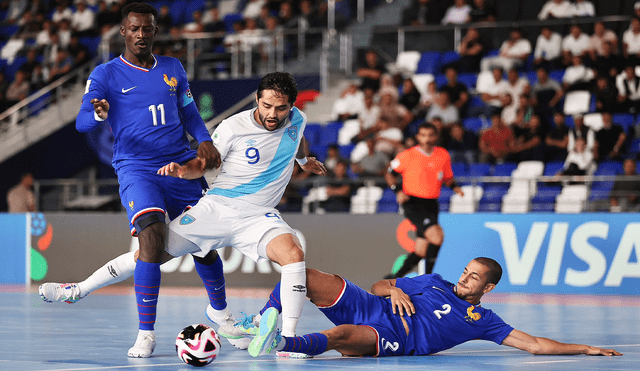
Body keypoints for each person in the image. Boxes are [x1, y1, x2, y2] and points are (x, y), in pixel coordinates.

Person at [38, 3, 230, 359]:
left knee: (205, 245)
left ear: (155, 31)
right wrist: (96, 113)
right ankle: (146, 334)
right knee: (152, 239)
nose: (141, 34)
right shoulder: (106, 74)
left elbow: (188, 110)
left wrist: (203, 138)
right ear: (123, 32)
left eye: (147, 28)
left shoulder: (172, 68)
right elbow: (82, 123)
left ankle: (221, 313)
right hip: (137, 168)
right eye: (134, 28)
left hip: (182, 165)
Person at [154, 71, 326, 357]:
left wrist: (304, 160)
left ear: (292, 107)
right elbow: (204, 163)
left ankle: (289, 339)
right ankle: (82, 287)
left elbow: (299, 136)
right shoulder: (233, 126)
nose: (273, 113)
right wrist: (184, 171)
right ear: (257, 99)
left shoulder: (297, 118)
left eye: (281, 108)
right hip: (219, 206)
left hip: (258, 215)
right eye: (267, 105)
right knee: (151, 255)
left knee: (294, 255)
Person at [246, 257, 622, 358]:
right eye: (466, 272)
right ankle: (263, 323)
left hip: (392, 337)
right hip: (371, 304)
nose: (465, 279)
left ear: (487, 288)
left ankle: (279, 345)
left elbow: (536, 345)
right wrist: (393, 291)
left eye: (474, 278)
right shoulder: (434, 282)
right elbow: (381, 284)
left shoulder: (483, 321)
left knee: (339, 337)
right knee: (304, 273)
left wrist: (587, 347)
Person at [383, 122, 463, 279]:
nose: (427, 138)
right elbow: (389, 172)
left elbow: (447, 177)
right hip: (413, 202)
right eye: (423, 135)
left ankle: (393, 279)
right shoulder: (408, 155)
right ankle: (427, 279)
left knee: (421, 249)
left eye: (430, 135)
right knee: (437, 236)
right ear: (418, 136)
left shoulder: (442, 155)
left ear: (436, 136)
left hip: (432, 203)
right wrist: (397, 191)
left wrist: (455, 187)